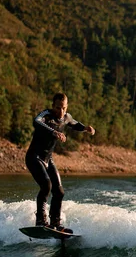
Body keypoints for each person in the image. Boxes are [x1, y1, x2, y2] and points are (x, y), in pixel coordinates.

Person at [25, 93, 95, 233]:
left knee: (59, 191)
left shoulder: (66, 117)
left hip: (48, 159)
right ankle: (40, 220)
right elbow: (36, 122)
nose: (60, 111)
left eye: (63, 108)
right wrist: (53, 132)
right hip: (34, 157)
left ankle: (55, 223)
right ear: (53, 106)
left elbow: (74, 124)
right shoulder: (46, 115)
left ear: (66, 106)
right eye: (57, 108)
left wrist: (86, 128)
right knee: (46, 185)